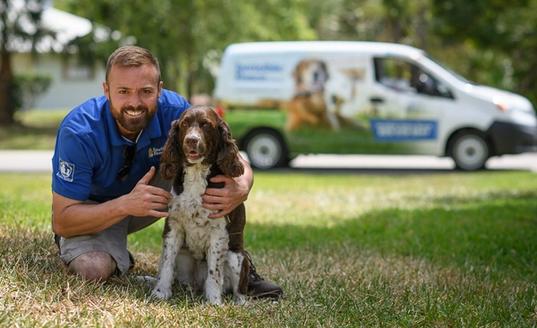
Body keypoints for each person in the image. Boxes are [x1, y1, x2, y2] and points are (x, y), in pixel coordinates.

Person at [51, 45, 282, 299]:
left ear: (159, 89)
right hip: (98, 208)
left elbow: (232, 156)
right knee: (92, 269)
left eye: (146, 92)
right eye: (123, 91)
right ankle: (109, 254)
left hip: (153, 196)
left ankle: (238, 267)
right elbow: (62, 220)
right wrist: (126, 204)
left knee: (214, 172)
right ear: (106, 90)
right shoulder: (79, 131)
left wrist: (242, 186)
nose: (135, 102)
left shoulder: (176, 110)